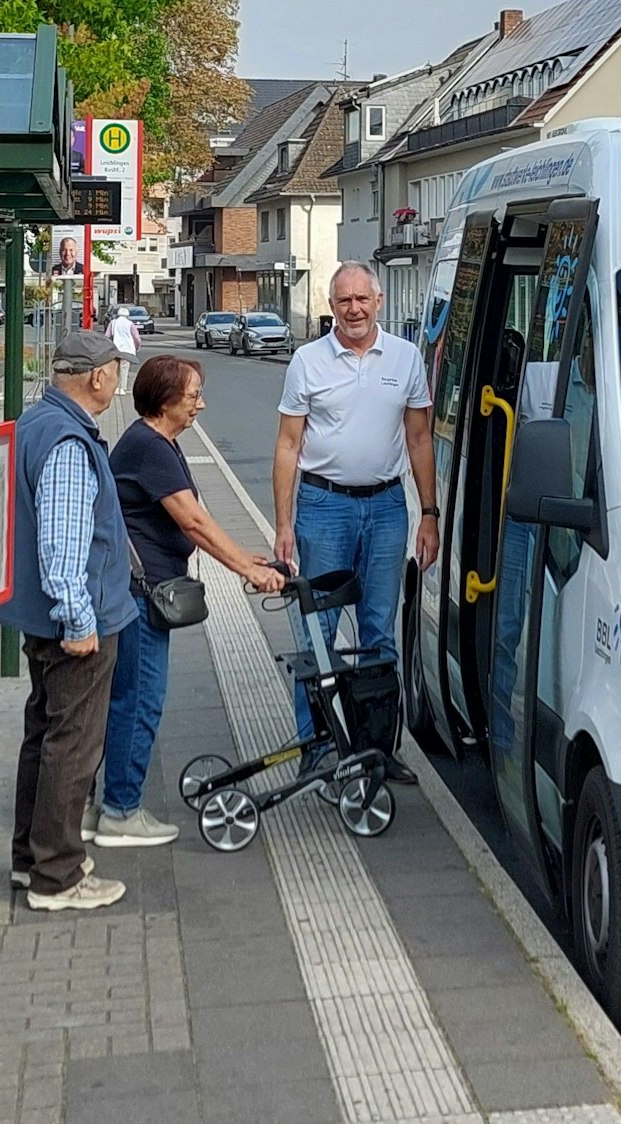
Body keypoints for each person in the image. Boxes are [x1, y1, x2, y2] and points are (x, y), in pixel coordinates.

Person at [91, 356, 286, 846]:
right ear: (165, 399)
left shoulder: (158, 442)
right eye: (193, 395)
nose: (202, 403)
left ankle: (109, 803)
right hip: (140, 596)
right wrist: (250, 571)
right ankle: (120, 811)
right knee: (141, 701)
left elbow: (196, 516)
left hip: (139, 592)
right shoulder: (150, 447)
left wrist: (247, 554)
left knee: (127, 699)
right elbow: (192, 522)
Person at [272, 261, 439, 784]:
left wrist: (428, 513)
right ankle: (316, 750)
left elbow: (419, 440)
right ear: (331, 306)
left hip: (388, 509)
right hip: (325, 510)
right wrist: (283, 523)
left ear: (379, 301)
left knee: (379, 635)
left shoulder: (407, 359)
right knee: (317, 635)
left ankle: (376, 751)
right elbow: (288, 445)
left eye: (362, 299)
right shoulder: (307, 362)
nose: (354, 309)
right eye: (343, 301)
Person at [0, 331, 138, 911]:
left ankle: (32, 858)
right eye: (115, 371)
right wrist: (78, 619)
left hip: (38, 619)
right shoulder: (69, 443)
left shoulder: (34, 424)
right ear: (98, 377)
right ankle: (59, 875)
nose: (117, 381)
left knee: (44, 737)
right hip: (75, 625)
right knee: (73, 746)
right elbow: (62, 544)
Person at [108, 307, 141, 396]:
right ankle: (122, 388)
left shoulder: (113, 323)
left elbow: (107, 336)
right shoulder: (130, 324)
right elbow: (137, 338)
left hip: (116, 349)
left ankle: (116, 388)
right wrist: (136, 347)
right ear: (127, 315)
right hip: (127, 349)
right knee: (124, 369)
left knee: (116, 369)